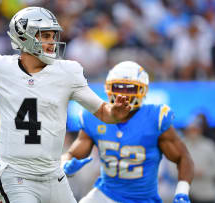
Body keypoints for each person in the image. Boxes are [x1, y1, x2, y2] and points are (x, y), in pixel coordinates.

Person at [0, 6, 131, 203]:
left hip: (52, 174)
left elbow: (103, 112)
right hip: (16, 173)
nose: (52, 42)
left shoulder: (68, 72)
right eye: (45, 36)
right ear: (23, 37)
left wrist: (115, 112)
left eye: (53, 35)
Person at [61, 61, 194, 203]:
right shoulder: (93, 117)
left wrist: (182, 191)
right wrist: (64, 164)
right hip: (106, 194)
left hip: (142, 199)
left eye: (130, 89)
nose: (123, 94)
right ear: (108, 88)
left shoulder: (155, 118)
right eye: (118, 87)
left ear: (142, 90)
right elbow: (72, 153)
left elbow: (183, 157)